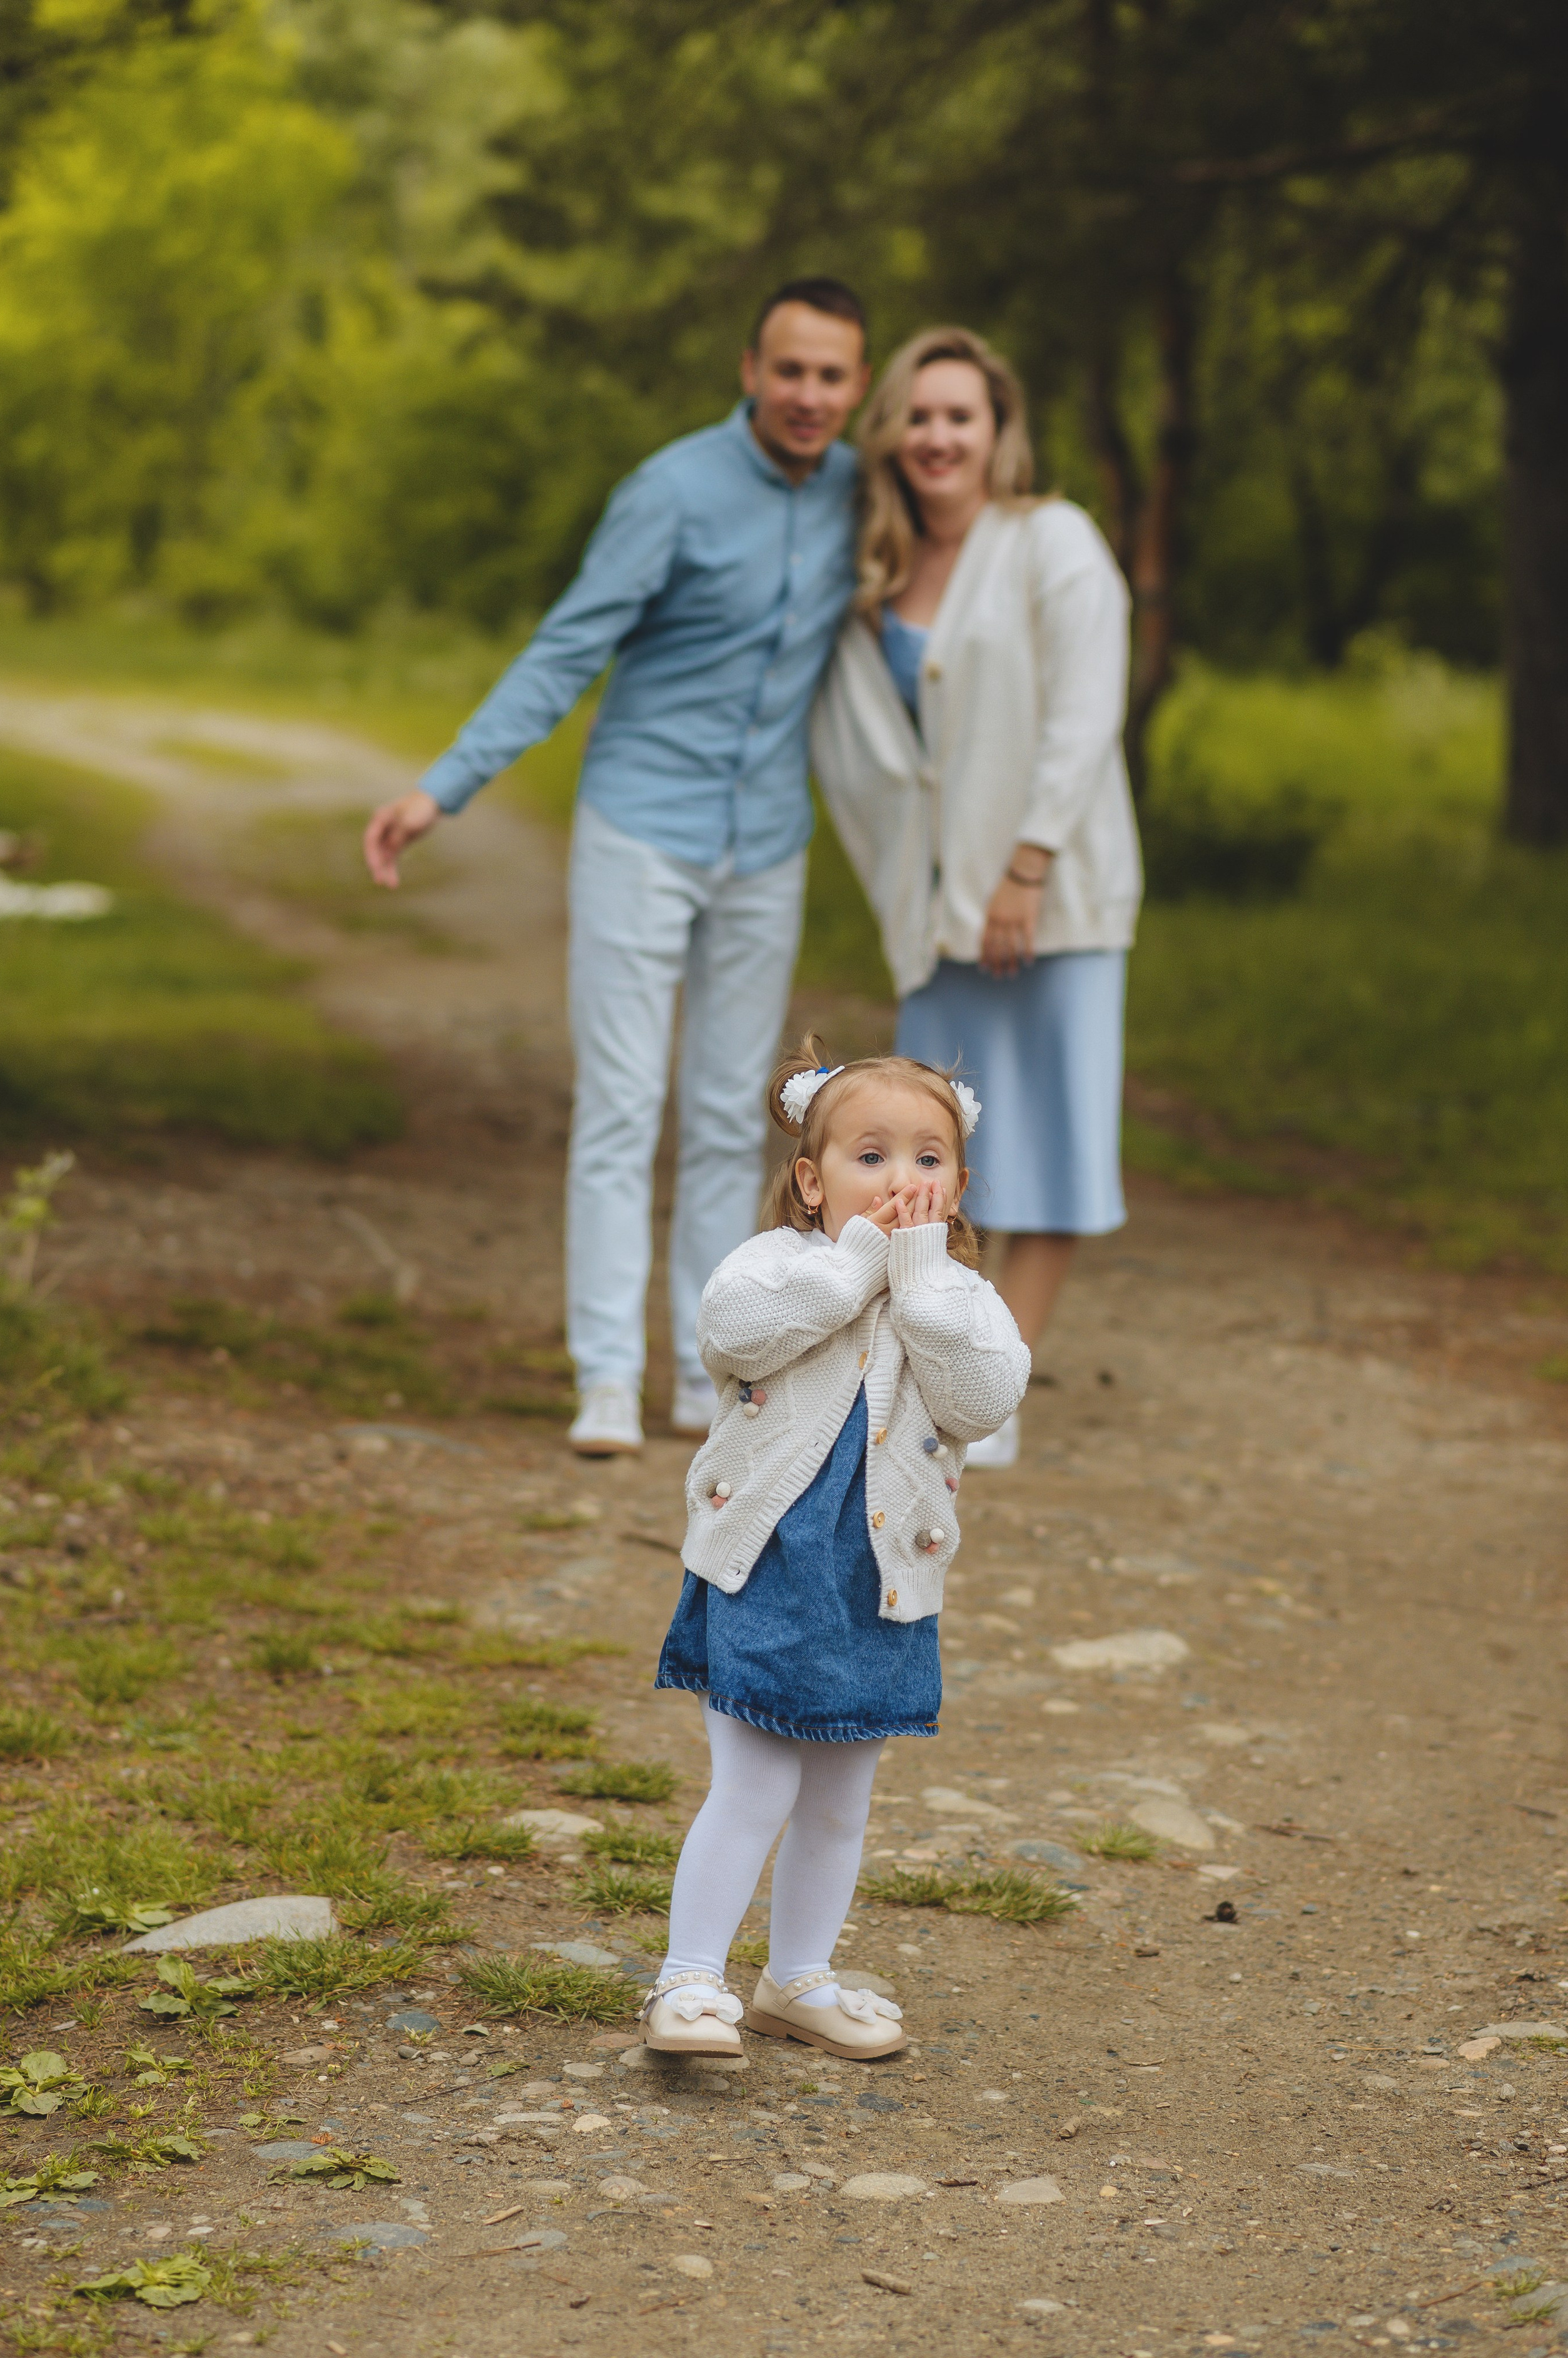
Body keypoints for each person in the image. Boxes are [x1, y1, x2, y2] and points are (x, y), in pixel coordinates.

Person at [362, 280, 871, 1455]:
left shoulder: (860, 495)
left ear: (857, 387)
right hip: (642, 827)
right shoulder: (672, 491)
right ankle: (603, 1373)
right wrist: (444, 787)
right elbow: (565, 647)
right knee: (623, 1103)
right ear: (751, 368)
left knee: (728, 1112)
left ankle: (712, 1374)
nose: (808, 396)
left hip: (766, 845)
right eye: (789, 371)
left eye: (832, 377)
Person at [639, 1040, 1029, 2059]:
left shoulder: (963, 1303)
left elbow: (984, 1401)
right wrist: (859, 1268)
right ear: (811, 1181)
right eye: (872, 1155)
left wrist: (922, 1283)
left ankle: (796, 1977)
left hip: (881, 1580)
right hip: (769, 1560)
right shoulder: (780, 1266)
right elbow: (734, 1335)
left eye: (929, 1158)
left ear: (959, 1187)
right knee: (758, 1782)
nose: (904, 1179)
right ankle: (688, 1978)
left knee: (840, 1799)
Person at [810, 325, 1139, 1469]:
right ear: (890, 432)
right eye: (921, 415)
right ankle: (943, 1370)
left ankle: (994, 1395)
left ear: (999, 431)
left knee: (1053, 1150)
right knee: (923, 1158)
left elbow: (1087, 707)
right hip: (943, 919)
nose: (940, 436)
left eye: (964, 415)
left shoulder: (1049, 539)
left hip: (1057, 902)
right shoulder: (872, 572)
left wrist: (1028, 866)